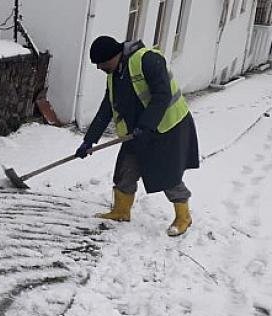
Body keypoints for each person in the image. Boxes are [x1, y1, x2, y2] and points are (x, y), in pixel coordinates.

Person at [75, 36, 199, 237]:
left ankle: (183, 217)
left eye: (102, 63)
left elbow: (162, 95)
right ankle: (121, 211)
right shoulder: (114, 73)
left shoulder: (147, 60)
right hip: (137, 131)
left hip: (167, 127)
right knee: (125, 169)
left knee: (167, 173)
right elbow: (107, 108)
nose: (100, 68)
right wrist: (89, 140)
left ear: (114, 56)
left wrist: (146, 125)